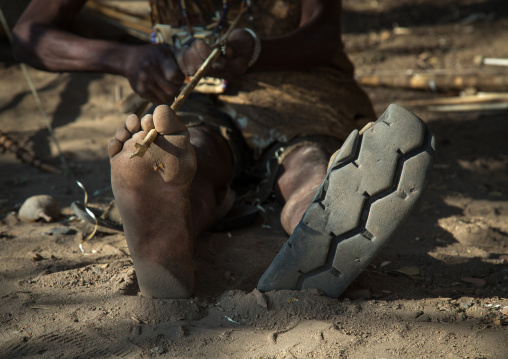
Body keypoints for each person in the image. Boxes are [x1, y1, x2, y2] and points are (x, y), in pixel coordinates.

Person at [12, 0, 435, 299]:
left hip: (298, 82)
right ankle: (171, 222)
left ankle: (187, 215)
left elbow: (323, 34)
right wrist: (126, 58)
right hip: (189, 91)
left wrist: (257, 48)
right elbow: (30, 34)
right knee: (230, 152)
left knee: (209, 153)